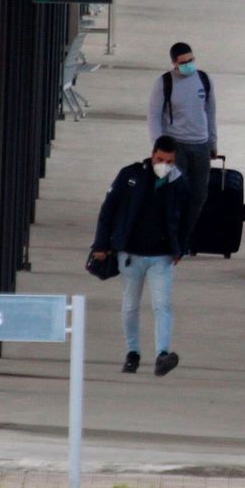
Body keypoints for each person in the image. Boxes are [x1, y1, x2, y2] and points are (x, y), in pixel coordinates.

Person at [91, 136, 187, 377]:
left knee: (162, 305)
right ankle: (132, 353)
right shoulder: (130, 176)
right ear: (152, 154)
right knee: (130, 306)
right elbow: (108, 209)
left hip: (162, 257)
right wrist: (101, 245)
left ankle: (162, 355)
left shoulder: (179, 182)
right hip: (130, 255)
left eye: (169, 161)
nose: (164, 164)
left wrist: (181, 247)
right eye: (160, 159)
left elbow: (186, 217)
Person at [147, 42, 217, 254]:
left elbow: (210, 112)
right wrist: (159, 148)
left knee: (198, 196)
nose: (188, 65)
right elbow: (153, 115)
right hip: (175, 147)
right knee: (171, 194)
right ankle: (166, 238)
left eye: (191, 61)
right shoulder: (164, 83)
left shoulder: (204, 80)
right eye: (183, 62)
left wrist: (213, 141)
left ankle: (183, 240)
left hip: (201, 145)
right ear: (174, 64)